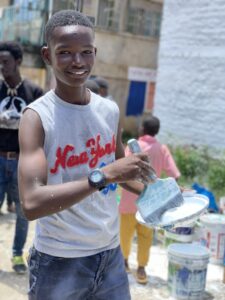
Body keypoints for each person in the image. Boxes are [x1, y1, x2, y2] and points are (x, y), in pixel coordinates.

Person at [18, 10, 154, 300]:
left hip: (110, 254)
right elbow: (31, 203)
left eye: (85, 52)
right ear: (47, 55)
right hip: (59, 260)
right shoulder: (37, 118)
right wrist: (104, 176)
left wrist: (160, 193)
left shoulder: (109, 110)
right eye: (65, 52)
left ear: (94, 52)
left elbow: (122, 168)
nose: (77, 62)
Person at [119, 116, 181, 284]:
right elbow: (174, 175)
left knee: (125, 234)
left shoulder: (133, 147)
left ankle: (124, 262)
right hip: (153, 205)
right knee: (146, 237)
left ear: (142, 130)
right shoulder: (162, 149)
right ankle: (141, 268)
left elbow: (122, 167)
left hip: (129, 202)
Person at [0, 41, 43, 274]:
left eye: (6, 62)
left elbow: (42, 127)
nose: (2, 67)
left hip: (21, 163)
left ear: (18, 62)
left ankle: (17, 255)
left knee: (23, 213)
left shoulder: (34, 92)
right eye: (0, 63)